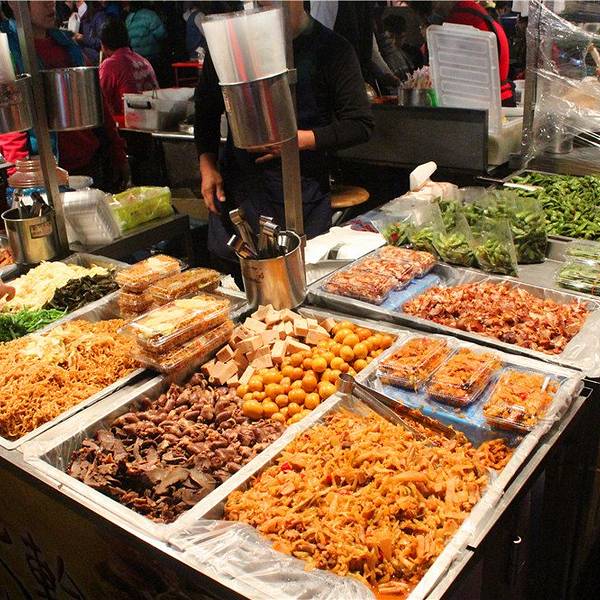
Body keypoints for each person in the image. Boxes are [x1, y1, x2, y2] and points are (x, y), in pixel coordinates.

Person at [195, 1, 373, 273]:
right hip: (239, 192)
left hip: (301, 193)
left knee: (300, 280)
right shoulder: (233, 43)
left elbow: (360, 124)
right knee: (232, 284)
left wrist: (297, 141)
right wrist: (207, 166)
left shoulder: (332, 49)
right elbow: (205, 111)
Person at [0, 1, 128, 191]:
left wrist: (118, 152)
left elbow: (98, 101)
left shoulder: (67, 44)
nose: (50, 3)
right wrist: (21, 179)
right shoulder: (7, 50)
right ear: (14, 3)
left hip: (91, 164)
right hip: (45, 174)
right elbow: (11, 123)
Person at [414, 1, 514, 106]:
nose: (433, 12)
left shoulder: (460, 18)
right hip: (497, 98)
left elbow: (448, 76)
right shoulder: (470, 10)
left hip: (486, 103)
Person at [99, 17, 158, 119]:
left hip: (128, 122)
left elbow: (100, 99)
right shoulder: (143, 61)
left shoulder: (110, 65)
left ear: (103, 45)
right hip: (153, 118)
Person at [125, 2, 166, 67]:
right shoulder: (151, 15)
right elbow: (161, 34)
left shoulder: (129, 18)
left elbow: (127, 39)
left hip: (135, 59)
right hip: (151, 57)